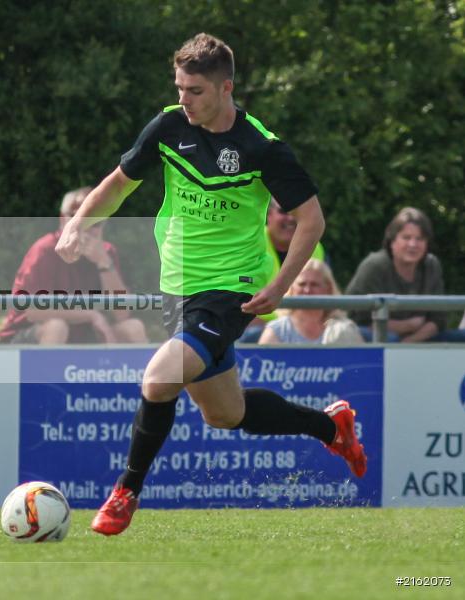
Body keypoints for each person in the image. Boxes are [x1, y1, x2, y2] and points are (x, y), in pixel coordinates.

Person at [55, 33, 367, 536]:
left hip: (232, 289)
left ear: (226, 88)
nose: (184, 99)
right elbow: (118, 182)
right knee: (226, 413)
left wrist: (282, 284)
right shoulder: (169, 126)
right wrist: (78, 223)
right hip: (179, 287)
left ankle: (125, 492)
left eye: (195, 90)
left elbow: (312, 220)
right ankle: (332, 427)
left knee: (158, 379)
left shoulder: (262, 147)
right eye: (179, 87)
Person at [0, 187, 148, 345]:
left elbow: (122, 314)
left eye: (96, 221)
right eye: (79, 219)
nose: (87, 227)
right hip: (27, 336)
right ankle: (48, 371)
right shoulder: (44, 250)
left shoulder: (107, 252)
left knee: (134, 328)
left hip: (85, 335)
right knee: (57, 327)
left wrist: (103, 262)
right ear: (63, 219)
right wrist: (90, 315)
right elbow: (33, 311)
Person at [345, 207, 465, 343]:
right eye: (406, 237)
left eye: (419, 239)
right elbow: (361, 321)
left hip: (419, 337)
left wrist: (407, 344)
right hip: (375, 338)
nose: (413, 244)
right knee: (391, 339)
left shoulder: (431, 265)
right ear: (392, 241)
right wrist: (408, 325)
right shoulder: (374, 266)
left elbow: (438, 320)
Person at [238, 199, 327, 342]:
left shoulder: (315, 247)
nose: (291, 218)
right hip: (253, 328)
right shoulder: (250, 243)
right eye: (284, 211)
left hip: (303, 328)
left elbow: (326, 292)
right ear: (269, 215)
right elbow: (236, 297)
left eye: (297, 213)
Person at [258, 259, 363, 345]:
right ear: (291, 289)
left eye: (314, 284)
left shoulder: (344, 330)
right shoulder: (278, 330)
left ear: (328, 289)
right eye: (302, 284)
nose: (307, 290)